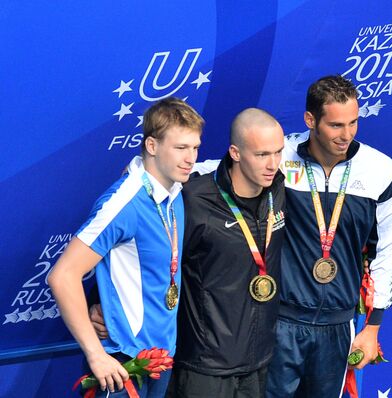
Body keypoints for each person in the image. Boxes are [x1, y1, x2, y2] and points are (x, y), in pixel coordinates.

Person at [91, 108, 286, 398]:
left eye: (278, 153)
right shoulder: (193, 198)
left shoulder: (280, 189)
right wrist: (102, 305)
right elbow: (145, 255)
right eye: (261, 155)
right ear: (235, 152)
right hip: (202, 366)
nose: (272, 164)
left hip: (258, 361)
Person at [48, 97, 204, 397]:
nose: (190, 158)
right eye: (181, 148)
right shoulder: (123, 203)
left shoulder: (175, 190)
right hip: (122, 363)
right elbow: (63, 275)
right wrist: (96, 354)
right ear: (152, 146)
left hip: (160, 356)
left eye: (195, 147)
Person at [265, 75, 392, 397]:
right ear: (310, 120)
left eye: (353, 123)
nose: (347, 135)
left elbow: (386, 250)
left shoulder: (380, 170)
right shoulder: (280, 155)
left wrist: (372, 326)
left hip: (338, 326)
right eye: (336, 125)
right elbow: (225, 171)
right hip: (281, 320)